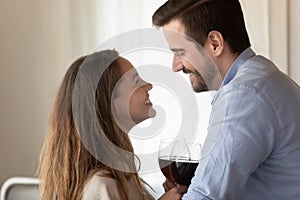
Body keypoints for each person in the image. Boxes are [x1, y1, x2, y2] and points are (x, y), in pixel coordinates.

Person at [152, 0, 300, 199]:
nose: (175, 66)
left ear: (215, 43)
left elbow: (205, 196)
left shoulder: (243, 95)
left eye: (181, 52)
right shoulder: (262, 76)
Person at [38, 49, 186, 200]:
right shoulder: (102, 186)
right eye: (136, 81)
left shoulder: (121, 177)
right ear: (110, 101)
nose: (148, 85)